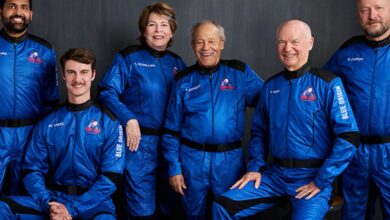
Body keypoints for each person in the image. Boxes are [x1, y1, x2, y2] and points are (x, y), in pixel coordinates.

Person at [212, 19, 360, 220]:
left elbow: (349, 136)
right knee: (222, 206)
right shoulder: (271, 87)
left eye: (295, 42)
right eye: (281, 42)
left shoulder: (328, 84)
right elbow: (258, 133)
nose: (287, 48)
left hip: (312, 179)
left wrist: (321, 180)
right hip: (274, 176)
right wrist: (255, 168)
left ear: (310, 43)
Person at [0, 48, 125, 219]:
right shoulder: (47, 122)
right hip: (54, 200)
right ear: (64, 75)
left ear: (93, 75)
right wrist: (48, 203)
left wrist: (73, 209)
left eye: (84, 72)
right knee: (3, 208)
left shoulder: (110, 123)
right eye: (71, 72)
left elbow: (111, 177)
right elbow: (31, 170)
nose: (77, 79)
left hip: (94, 204)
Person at [162, 20, 264, 220]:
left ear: (222, 43)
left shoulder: (240, 73)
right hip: (191, 160)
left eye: (211, 41)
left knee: (228, 212)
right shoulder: (183, 80)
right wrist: (174, 167)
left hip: (229, 161)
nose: (206, 47)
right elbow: (171, 130)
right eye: (200, 42)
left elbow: (272, 103)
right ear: (193, 46)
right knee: (192, 214)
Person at [98, 2, 186, 219]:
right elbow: (106, 92)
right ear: (143, 29)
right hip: (138, 145)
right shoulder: (129, 58)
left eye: (164, 25)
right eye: (152, 25)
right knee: (142, 210)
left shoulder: (178, 63)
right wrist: (129, 119)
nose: (158, 30)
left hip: (171, 147)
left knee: (171, 207)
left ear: (172, 29)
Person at [324, 0, 390, 218]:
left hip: (388, 150)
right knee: (354, 215)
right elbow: (322, 94)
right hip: (355, 152)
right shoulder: (347, 52)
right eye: (365, 10)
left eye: (379, 8)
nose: (372, 15)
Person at [0, 0, 58, 195]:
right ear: (1, 11)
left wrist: (42, 137)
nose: (18, 12)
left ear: (31, 14)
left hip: (30, 135)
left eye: (24, 7)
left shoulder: (44, 50)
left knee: (26, 197)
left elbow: (51, 101)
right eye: (12, 6)